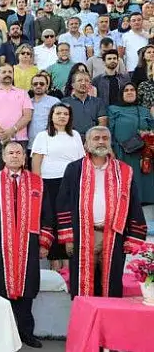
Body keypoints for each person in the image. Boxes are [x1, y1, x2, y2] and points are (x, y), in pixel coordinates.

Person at [56, 126, 148, 298]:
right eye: (96, 138)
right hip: (83, 234)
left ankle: (108, 323)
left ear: (110, 142)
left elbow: (134, 203)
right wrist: (68, 237)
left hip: (113, 235)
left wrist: (132, 237)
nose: (100, 141)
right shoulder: (74, 169)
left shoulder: (124, 170)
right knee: (82, 286)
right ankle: (84, 322)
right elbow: (63, 204)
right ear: (86, 143)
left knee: (111, 284)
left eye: (105, 138)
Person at [0, 142, 54, 349]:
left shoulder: (37, 183)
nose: (14, 156)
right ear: (3, 157)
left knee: (27, 289)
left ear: (24, 157)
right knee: (2, 289)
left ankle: (26, 333)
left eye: (18, 153)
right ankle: (4, 333)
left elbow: (47, 214)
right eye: (10, 153)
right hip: (0, 244)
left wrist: (45, 242)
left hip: (28, 244)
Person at [31, 103, 85, 271]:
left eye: (65, 114)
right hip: (50, 182)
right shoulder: (43, 136)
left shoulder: (75, 135)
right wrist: (37, 185)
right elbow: (36, 162)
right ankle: (54, 259)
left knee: (68, 220)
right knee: (52, 220)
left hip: (72, 182)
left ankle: (67, 259)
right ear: (51, 116)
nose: (62, 116)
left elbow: (81, 160)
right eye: (58, 113)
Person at [0, 64, 33, 174]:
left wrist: (12, 130)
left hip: (19, 139)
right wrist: (1, 133)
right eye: (4, 72)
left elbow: (27, 116)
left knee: (19, 173)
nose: (7, 74)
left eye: (10, 72)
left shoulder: (22, 93)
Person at [108, 84, 154, 204]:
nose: (129, 92)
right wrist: (111, 149)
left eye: (132, 90)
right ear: (121, 94)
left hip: (143, 154)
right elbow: (109, 131)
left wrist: (148, 133)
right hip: (122, 153)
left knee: (145, 192)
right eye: (126, 90)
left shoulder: (144, 110)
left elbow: (152, 128)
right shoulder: (113, 109)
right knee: (126, 189)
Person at [61, 71, 108, 138]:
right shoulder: (64, 102)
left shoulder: (98, 102)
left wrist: (91, 139)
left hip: (93, 139)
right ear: (73, 84)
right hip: (71, 138)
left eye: (86, 81)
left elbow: (102, 123)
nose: (83, 83)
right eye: (80, 80)